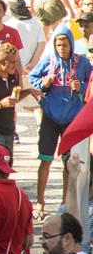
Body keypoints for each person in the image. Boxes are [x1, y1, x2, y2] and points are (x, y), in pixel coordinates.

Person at [31, 29, 89, 214]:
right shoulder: (48, 60)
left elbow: (92, 81)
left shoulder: (82, 62)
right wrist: (43, 83)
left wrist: (82, 86)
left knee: (69, 163)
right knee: (45, 159)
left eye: (65, 45)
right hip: (50, 116)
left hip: (72, 118)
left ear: (71, 44)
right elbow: (32, 77)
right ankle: (40, 202)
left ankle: (66, 203)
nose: (61, 49)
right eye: (58, 45)